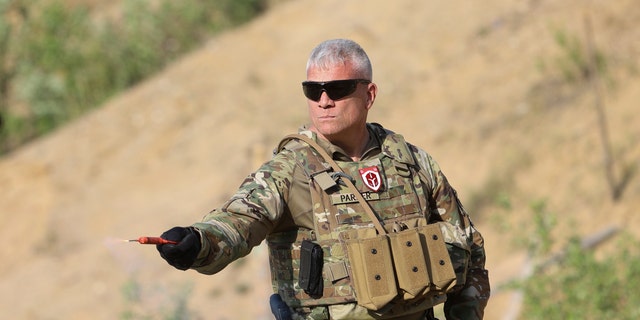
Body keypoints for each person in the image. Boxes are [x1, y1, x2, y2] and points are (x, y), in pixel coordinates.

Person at [156, 39, 490, 320]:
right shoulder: (291, 170)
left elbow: (469, 246)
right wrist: (198, 242)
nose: (324, 101)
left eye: (338, 89)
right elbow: (240, 220)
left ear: (369, 95)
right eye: (313, 90)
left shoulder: (411, 162)